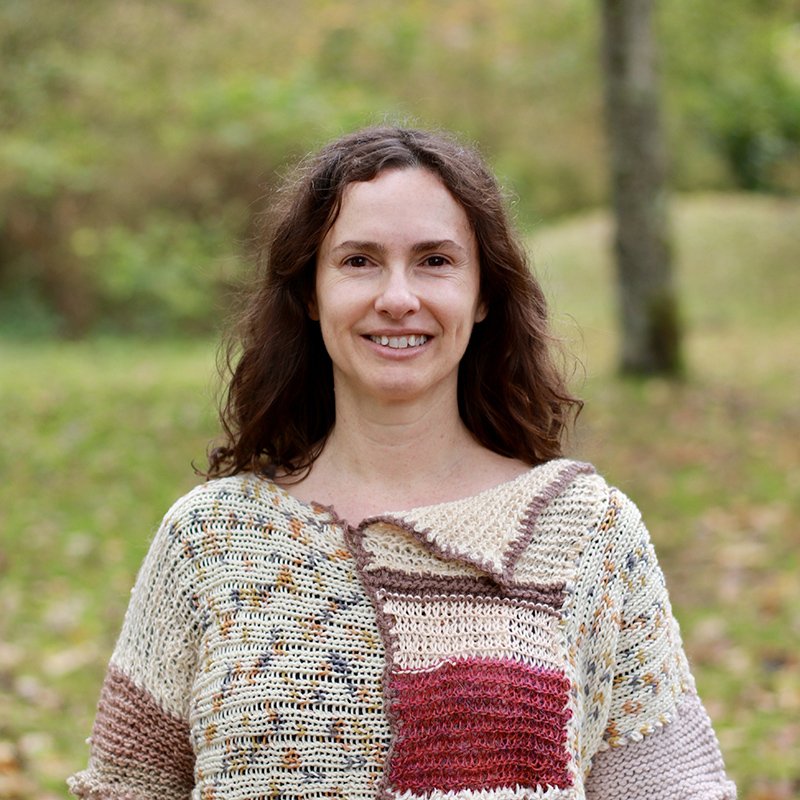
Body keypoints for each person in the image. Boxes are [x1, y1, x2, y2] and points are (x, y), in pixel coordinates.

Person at [69, 126, 736, 800]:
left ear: (481, 296)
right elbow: (128, 786)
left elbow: (672, 786)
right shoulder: (209, 541)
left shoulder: (588, 534)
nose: (396, 297)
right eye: (359, 260)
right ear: (310, 292)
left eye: (434, 261)